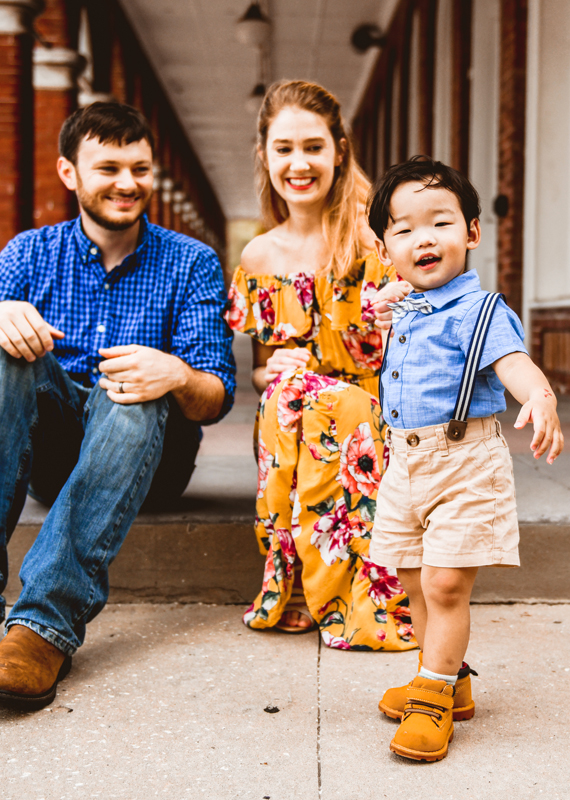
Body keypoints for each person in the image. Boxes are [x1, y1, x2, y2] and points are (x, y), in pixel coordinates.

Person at [0, 102, 236, 710]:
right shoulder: (28, 254)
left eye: (140, 168)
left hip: (148, 461)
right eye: (108, 167)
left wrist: (176, 373)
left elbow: (215, 396)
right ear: (69, 173)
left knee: (135, 384)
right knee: (0, 352)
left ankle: (42, 626)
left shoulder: (192, 261)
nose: (128, 183)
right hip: (53, 458)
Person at [366, 157, 564, 761]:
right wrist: (385, 309)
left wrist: (541, 397)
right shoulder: (403, 309)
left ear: (472, 232)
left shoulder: (482, 312)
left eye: (440, 223)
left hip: (464, 463)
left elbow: (513, 363)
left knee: (446, 582)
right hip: (406, 465)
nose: (423, 238)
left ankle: (432, 698)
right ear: (385, 248)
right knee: (411, 579)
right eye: (403, 229)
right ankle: (449, 680)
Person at [225, 80, 416, 651]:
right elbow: (258, 372)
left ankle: (319, 587)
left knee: (326, 403)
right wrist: (274, 370)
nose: (299, 163)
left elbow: (421, 345)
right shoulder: (258, 256)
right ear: (265, 156)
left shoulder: (372, 237)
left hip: (377, 407)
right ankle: (304, 578)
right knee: (286, 394)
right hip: (294, 413)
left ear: (339, 149)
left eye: (313, 147)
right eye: (284, 149)